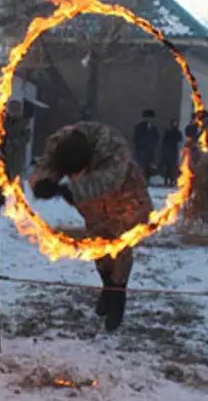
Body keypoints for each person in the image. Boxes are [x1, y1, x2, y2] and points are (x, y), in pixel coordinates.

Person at [28, 122, 153, 332]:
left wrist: (69, 192)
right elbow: (46, 165)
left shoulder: (112, 146)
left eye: (78, 173)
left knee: (119, 243)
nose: (74, 178)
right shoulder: (60, 143)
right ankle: (107, 284)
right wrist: (43, 183)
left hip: (125, 195)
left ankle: (118, 293)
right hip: (91, 201)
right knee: (98, 242)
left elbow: (109, 180)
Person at [3, 101, 31, 180]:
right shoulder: (5, 121)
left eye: (16, 110)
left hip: (18, 156)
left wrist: (16, 142)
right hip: (5, 156)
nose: (13, 112)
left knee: (17, 181)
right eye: (12, 109)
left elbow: (27, 137)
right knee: (4, 181)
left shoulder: (24, 122)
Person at [133, 109, 160, 183]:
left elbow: (156, 138)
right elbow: (136, 138)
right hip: (141, 151)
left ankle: (146, 181)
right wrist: (142, 146)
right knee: (141, 167)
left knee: (148, 168)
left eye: (151, 118)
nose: (149, 120)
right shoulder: (138, 127)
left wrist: (152, 147)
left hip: (150, 151)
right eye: (147, 118)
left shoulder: (154, 128)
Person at [159, 119, 183, 186]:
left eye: (175, 123)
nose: (174, 125)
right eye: (174, 123)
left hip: (173, 151)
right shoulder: (168, 132)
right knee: (168, 167)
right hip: (168, 151)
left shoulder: (177, 132)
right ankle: (166, 181)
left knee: (172, 167)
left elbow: (179, 139)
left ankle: (172, 181)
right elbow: (164, 142)